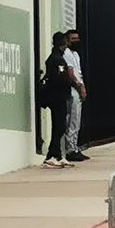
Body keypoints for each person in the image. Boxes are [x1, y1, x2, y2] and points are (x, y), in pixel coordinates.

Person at [40, 32, 75, 168]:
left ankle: (59, 155)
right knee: (59, 126)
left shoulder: (55, 57)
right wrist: (69, 83)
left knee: (60, 125)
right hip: (58, 96)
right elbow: (60, 78)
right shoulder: (57, 60)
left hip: (57, 96)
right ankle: (51, 155)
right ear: (63, 44)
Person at [61, 28, 90, 161]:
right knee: (72, 120)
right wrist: (80, 87)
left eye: (77, 39)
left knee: (76, 120)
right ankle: (70, 149)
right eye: (73, 39)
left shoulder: (75, 54)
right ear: (67, 41)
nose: (76, 41)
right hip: (73, 89)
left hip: (79, 88)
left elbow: (78, 73)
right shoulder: (67, 53)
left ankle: (74, 146)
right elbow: (71, 73)